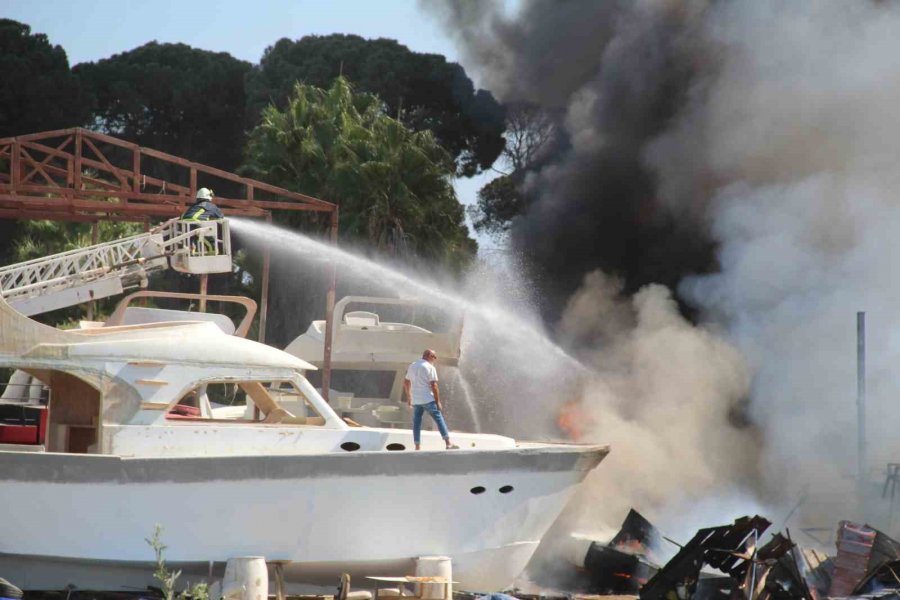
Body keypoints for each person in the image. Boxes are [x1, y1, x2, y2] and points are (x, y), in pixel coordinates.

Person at [404, 349, 458, 450]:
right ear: (429, 356)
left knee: (416, 423)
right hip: (428, 398)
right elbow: (434, 385)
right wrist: (438, 401)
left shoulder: (412, 365)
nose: (435, 359)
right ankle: (448, 443)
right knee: (438, 418)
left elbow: (406, 382)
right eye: (434, 356)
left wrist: (409, 396)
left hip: (416, 400)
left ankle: (417, 446)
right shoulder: (429, 367)